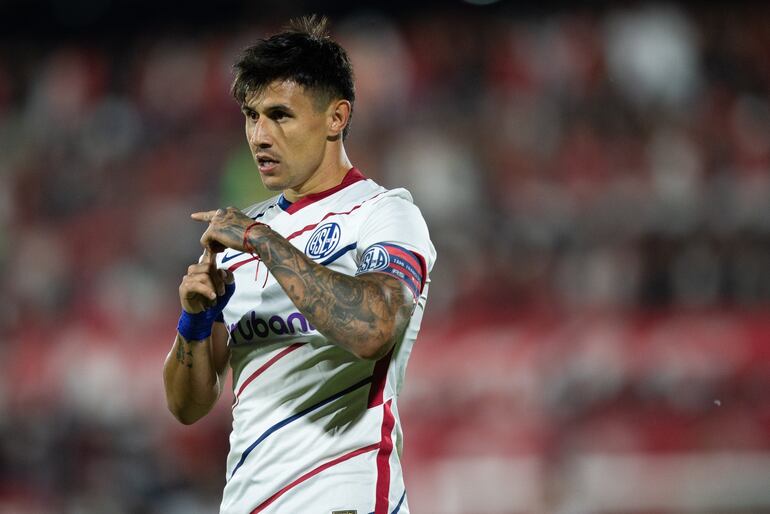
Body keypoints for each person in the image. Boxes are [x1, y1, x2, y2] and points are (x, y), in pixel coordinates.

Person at [162, 15, 436, 514]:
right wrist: (195, 320)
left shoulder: (384, 214)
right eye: (251, 116)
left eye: (280, 115)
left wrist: (265, 243)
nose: (259, 136)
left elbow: (373, 329)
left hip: (344, 500)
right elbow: (187, 406)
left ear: (336, 117)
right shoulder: (241, 236)